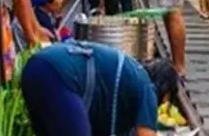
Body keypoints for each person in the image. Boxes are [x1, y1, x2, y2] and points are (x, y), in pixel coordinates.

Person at [20, 41, 178, 136]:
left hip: (35, 67)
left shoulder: (129, 78)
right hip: (59, 76)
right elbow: (145, 134)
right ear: (165, 90)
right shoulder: (146, 86)